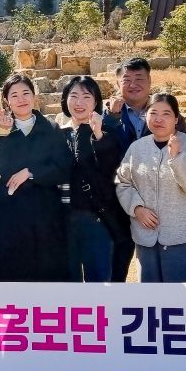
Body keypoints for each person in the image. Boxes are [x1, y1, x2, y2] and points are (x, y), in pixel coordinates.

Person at [103, 57, 186, 282]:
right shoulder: (107, 114)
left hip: (158, 208)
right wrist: (112, 118)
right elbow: (102, 151)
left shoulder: (168, 112)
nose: (133, 84)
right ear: (117, 83)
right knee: (115, 268)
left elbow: (181, 153)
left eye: (139, 78)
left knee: (157, 274)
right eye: (126, 79)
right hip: (118, 201)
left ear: (150, 81)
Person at [0, 74, 73, 282]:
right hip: (9, 214)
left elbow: (63, 167)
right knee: (10, 274)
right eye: (14, 95)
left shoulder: (51, 128)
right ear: (6, 100)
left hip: (45, 213)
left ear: (34, 96)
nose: (21, 99)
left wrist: (31, 172)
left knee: (46, 273)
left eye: (26, 93)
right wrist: (3, 133)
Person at [116, 93, 186, 283]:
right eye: (153, 113)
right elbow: (123, 182)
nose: (158, 119)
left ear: (176, 119)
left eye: (166, 114)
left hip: (183, 237)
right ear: (146, 116)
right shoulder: (136, 148)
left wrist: (177, 158)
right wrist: (137, 208)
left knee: (181, 296)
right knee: (151, 295)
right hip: (146, 238)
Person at [59, 76, 125, 282]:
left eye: (86, 96)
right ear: (65, 100)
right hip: (63, 220)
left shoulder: (107, 133)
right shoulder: (58, 134)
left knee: (99, 284)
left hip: (96, 219)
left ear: (96, 102)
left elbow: (111, 170)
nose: (79, 102)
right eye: (74, 96)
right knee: (67, 283)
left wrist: (97, 135)